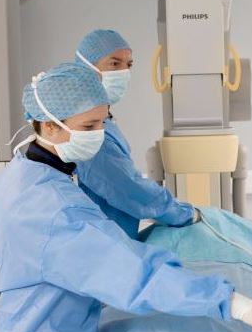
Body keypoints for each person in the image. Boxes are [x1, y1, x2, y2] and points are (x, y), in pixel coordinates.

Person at [0, 63, 252, 332]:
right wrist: (239, 305)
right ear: (49, 125)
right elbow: (138, 275)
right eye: (89, 126)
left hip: (21, 328)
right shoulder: (58, 212)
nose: (99, 135)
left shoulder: (14, 178)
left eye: (103, 122)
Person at [73, 29, 193, 238]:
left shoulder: (102, 120)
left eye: (128, 65)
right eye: (114, 63)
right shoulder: (88, 131)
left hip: (113, 237)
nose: (123, 72)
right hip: (103, 242)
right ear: (86, 68)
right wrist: (185, 214)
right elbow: (129, 189)